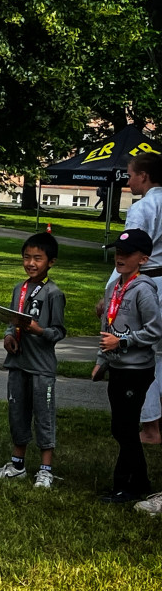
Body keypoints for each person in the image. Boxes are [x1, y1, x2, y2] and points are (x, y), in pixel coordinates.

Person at [0, 233, 66, 488]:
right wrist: (9, 336)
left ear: (51, 262)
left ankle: (45, 469)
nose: (31, 263)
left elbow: (58, 331)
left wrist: (40, 331)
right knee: (17, 414)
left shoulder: (53, 293)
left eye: (37, 258)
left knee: (43, 416)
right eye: (27, 257)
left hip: (41, 367)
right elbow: (13, 319)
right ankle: (17, 465)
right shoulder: (19, 288)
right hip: (17, 363)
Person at [91, 229, 162, 506]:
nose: (120, 258)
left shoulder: (144, 289)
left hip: (137, 370)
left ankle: (128, 485)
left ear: (143, 259)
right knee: (120, 427)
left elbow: (154, 331)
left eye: (127, 254)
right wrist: (101, 361)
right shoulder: (113, 288)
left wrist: (122, 342)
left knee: (126, 428)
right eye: (118, 252)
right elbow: (106, 329)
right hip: (117, 367)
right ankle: (137, 481)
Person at [117, 152, 162, 444]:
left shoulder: (143, 207)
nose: (128, 180)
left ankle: (150, 427)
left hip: (147, 282)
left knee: (145, 354)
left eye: (130, 175)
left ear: (143, 176)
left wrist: (114, 289)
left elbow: (129, 252)